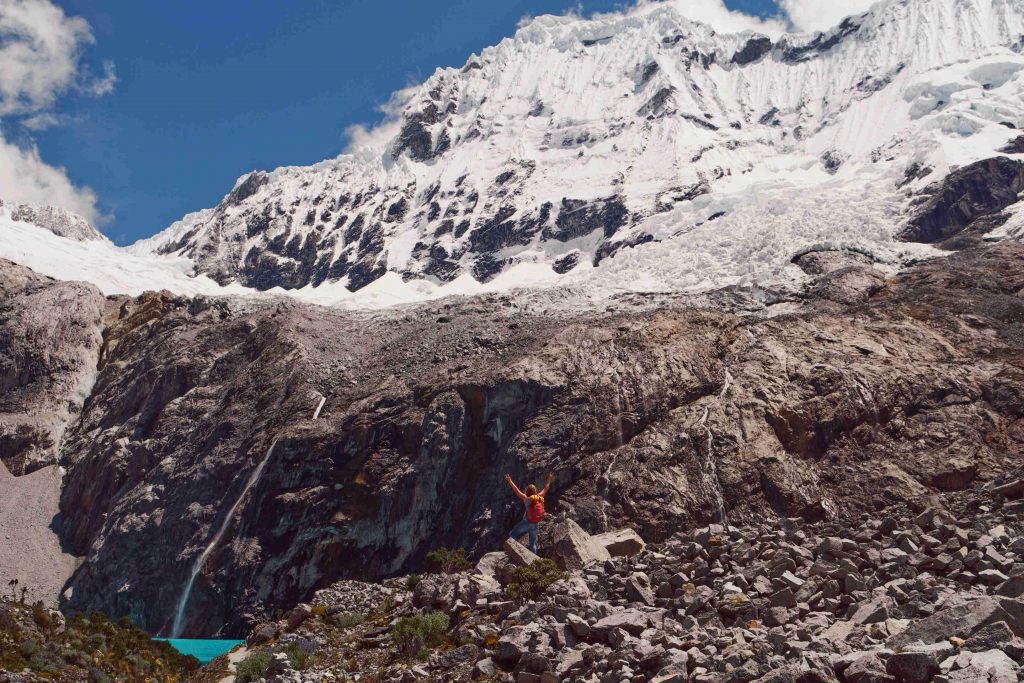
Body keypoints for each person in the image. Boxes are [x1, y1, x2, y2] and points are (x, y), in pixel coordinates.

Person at [505, 471, 553, 554]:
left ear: (527, 491)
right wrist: (549, 479)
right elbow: (546, 488)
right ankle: (534, 561)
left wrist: (509, 481)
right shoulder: (539, 497)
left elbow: (516, 490)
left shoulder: (526, 498)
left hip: (526, 522)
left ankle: (511, 553)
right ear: (535, 491)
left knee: (512, 534)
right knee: (532, 544)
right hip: (536, 523)